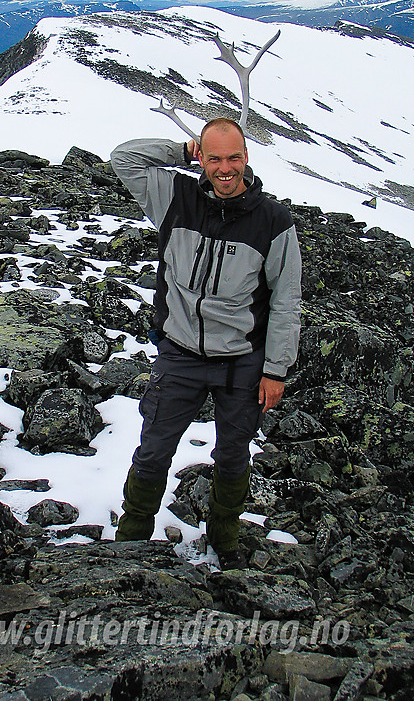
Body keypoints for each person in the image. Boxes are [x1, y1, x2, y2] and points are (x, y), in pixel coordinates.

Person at [110, 118, 302, 569]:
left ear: (246, 158)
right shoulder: (177, 199)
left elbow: (286, 300)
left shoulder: (273, 221)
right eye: (214, 158)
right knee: (155, 450)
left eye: (233, 157)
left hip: (241, 362)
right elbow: (124, 157)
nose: (225, 168)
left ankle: (225, 542)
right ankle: (128, 542)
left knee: (233, 455)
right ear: (203, 159)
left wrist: (276, 369)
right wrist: (183, 148)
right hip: (180, 354)